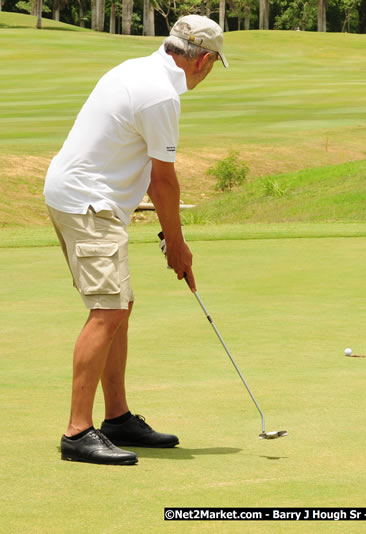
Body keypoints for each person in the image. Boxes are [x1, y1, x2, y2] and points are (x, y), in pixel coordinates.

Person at [44, 15, 228, 465]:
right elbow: (162, 181)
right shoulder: (162, 95)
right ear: (202, 60)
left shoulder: (134, 68)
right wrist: (178, 245)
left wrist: (169, 234)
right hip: (89, 202)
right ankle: (77, 432)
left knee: (119, 305)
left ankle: (119, 418)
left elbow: (149, 174)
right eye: (213, 63)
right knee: (107, 309)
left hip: (80, 195)